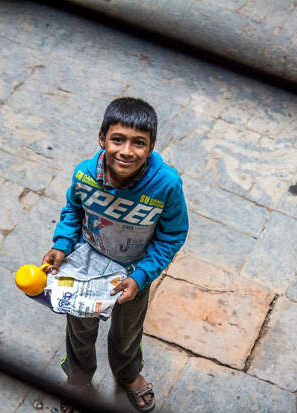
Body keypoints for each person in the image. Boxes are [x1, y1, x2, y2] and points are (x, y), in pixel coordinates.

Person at [42, 97, 189, 412]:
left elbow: (172, 234)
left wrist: (141, 276)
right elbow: (72, 211)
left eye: (139, 143)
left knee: (126, 332)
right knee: (80, 326)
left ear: (150, 148)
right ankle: (79, 379)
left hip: (134, 272)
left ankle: (127, 373)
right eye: (117, 139)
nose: (126, 151)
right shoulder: (84, 174)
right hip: (86, 262)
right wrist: (61, 245)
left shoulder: (166, 185)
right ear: (102, 139)